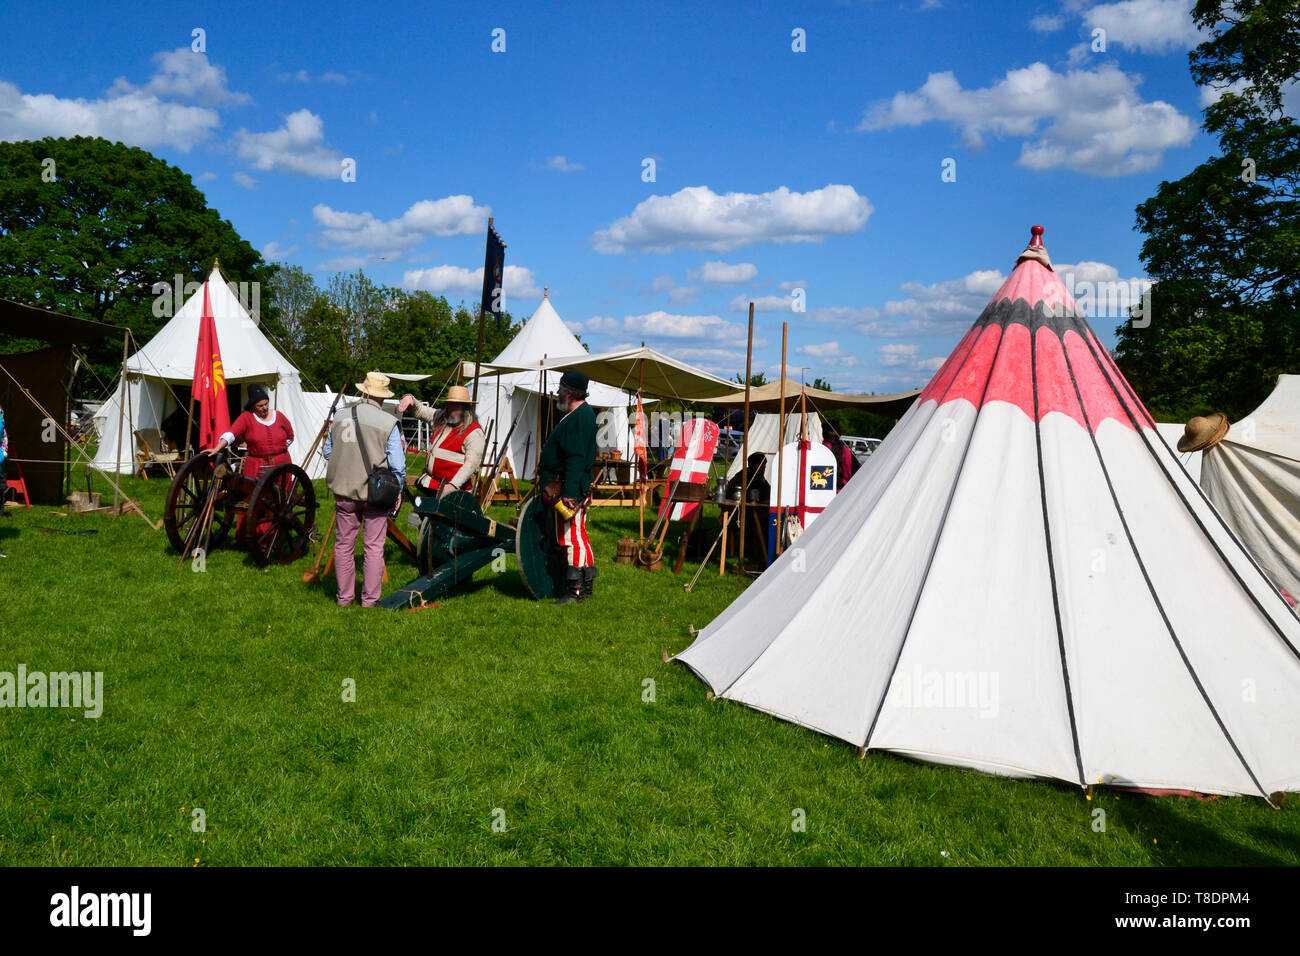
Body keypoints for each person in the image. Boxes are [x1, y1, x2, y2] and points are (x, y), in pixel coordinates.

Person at [323, 372, 406, 608]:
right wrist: (397, 490)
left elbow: (328, 452)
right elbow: (398, 465)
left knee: (343, 545)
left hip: (344, 490)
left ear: (364, 391)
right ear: (381, 396)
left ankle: (344, 598)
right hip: (375, 493)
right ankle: (369, 601)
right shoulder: (388, 422)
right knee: (373, 547)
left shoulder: (339, 417)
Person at [537, 370, 599, 605]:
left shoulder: (580, 417)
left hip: (568, 487)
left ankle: (575, 591)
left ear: (571, 392)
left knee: (571, 537)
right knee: (578, 535)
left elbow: (575, 458)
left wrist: (570, 494)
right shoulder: (578, 414)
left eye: (561, 389)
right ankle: (585, 586)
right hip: (567, 484)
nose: (558, 392)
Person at [396, 384, 485, 498]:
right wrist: (410, 399)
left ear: (466, 408)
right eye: (450, 404)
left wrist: (453, 486)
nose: (452, 408)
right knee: (420, 515)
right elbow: (421, 411)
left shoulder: (474, 432)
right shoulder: (441, 418)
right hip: (430, 484)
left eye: (457, 405)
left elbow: (471, 465)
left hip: (454, 492)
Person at [205, 384, 295, 479]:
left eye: (266, 404)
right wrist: (217, 448)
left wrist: (279, 449)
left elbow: (290, 436)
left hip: (282, 465)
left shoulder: (279, 416)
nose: (265, 407)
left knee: (282, 493)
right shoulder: (246, 418)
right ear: (253, 406)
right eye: (260, 406)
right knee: (254, 492)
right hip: (257, 466)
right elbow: (231, 434)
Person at [822, 425, 857, 490]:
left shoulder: (820, 450)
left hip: (825, 489)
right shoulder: (847, 451)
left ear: (823, 434)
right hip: (845, 490)